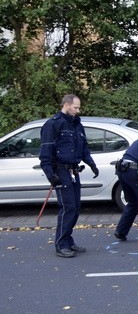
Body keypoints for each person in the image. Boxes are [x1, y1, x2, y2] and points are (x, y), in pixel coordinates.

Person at [38, 94, 100, 258]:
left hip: (74, 171)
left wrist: (92, 164)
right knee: (67, 208)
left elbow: (83, 147)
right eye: (76, 107)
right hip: (61, 170)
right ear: (66, 105)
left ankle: (68, 240)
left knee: (76, 209)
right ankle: (61, 244)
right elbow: (45, 152)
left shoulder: (77, 125)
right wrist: (50, 174)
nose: (78, 111)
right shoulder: (53, 124)